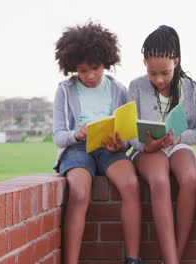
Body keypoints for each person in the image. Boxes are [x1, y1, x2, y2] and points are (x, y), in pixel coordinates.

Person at [53, 22, 142, 264]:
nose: (90, 76)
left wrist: (120, 145)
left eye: (96, 68)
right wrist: (77, 134)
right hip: (78, 149)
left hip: (109, 148)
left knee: (131, 185)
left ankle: (133, 259)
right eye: (82, 70)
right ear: (72, 67)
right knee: (80, 193)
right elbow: (58, 136)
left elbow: (127, 133)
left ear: (106, 61)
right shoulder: (65, 90)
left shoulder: (118, 89)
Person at [127, 25, 196, 264]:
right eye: (152, 73)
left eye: (165, 73)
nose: (159, 79)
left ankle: (174, 257)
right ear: (144, 64)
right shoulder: (136, 87)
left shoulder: (190, 88)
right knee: (159, 179)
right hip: (148, 150)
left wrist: (180, 138)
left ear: (176, 62)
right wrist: (146, 146)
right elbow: (128, 132)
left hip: (177, 144)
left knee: (190, 175)